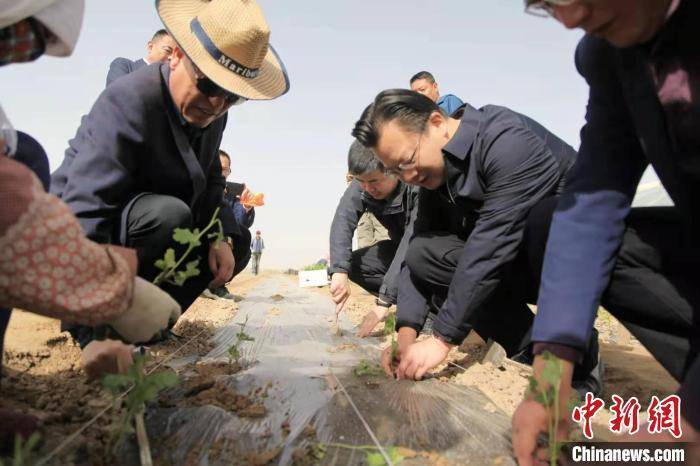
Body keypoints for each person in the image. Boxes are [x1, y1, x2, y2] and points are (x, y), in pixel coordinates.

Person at [513, 0, 700, 460]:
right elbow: (594, 200)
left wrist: (693, 414)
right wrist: (551, 372)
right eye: (546, 5)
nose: (572, 18)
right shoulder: (612, 54)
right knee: (551, 222)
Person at [51, 0, 290, 347]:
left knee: (232, 241)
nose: (216, 105)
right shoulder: (131, 101)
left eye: (232, 97)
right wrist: (89, 332)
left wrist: (220, 236)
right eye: (208, 86)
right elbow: (86, 211)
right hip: (84, 231)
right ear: (176, 55)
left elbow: (211, 180)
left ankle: (147, 329)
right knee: (169, 216)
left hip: (144, 224)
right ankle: (105, 329)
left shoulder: (213, 115)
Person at [0, 0, 180, 450]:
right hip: (101, 226)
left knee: (24, 152)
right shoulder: (128, 93)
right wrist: (113, 294)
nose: (27, 53)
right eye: (21, 38)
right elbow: (20, 209)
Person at [352, 89, 600, 393]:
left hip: (576, 260)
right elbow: (415, 249)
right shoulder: (435, 175)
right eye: (395, 171)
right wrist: (406, 337)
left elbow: (489, 249)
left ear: (436, 122)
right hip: (513, 257)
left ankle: (579, 354)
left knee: (540, 222)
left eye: (408, 160)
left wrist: (442, 339)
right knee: (424, 253)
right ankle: (529, 343)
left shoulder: (505, 141)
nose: (408, 176)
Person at [329, 140, 418, 337]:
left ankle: (432, 317)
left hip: (426, 250)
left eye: (374, 181)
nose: (367, 188)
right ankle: (417, 311)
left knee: (422, 260)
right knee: (355, 264)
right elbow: (343, 219)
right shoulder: (363, 184)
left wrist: (384, 301)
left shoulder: (416, 182)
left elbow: (412, 239)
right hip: (399, 248)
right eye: (361, 181)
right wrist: (339, 271)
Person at [203, 149, 255, 300]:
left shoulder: (233, 195)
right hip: (200, 238)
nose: (221, 172)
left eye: (225, 169)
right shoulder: (198, 184)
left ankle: (215, 284)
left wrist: (245, 207)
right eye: (217, 167)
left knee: (245, 242)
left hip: (222, 244)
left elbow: (237, 226)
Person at [105, 29, 176, 86]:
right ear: (150, 47)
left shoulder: (171, 85)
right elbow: (117, 94)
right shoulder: (124, 66)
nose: (171, 57)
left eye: (175, 55)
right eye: (168, 50)